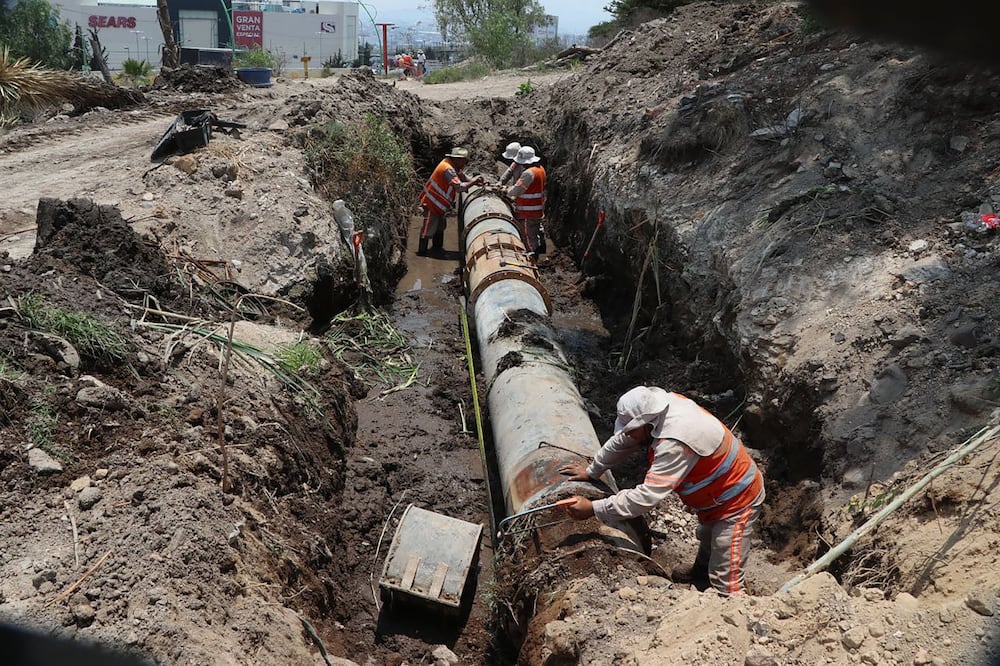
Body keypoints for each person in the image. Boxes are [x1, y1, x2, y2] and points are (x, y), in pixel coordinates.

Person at [560, 386, 765, 596]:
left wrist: (594, 508)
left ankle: (733, 608)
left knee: (726, 560)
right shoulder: (660, 409)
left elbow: (646, 497)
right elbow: (624, 440)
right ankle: (701, 575)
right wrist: (593, 470)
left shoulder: (675, 442)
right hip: (714, 497)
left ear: (647, 424)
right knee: (708, 535)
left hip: (737, 498)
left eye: (631, 428)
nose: (627, 433)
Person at [418, 147, 485, 256]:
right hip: (432, 203)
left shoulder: (453, 166)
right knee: (427, 231)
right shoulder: (447, 169)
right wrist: (473, 182)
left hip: (439, 205)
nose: (466, 163)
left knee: (440, 227)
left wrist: (475, 182)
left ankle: (437, 250)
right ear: (457, 159)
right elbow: (459, 187)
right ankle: (422, 254)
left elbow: (462, 177)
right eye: (464, 160)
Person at [506, 146, 546, 257]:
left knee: (527, 237)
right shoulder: (541, 169)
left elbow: (516, 190)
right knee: (534, 235)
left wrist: (505, 191)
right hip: (537, 209)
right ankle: (537, 252)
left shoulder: (529, 173)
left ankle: (531, 259)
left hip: (527, 211)